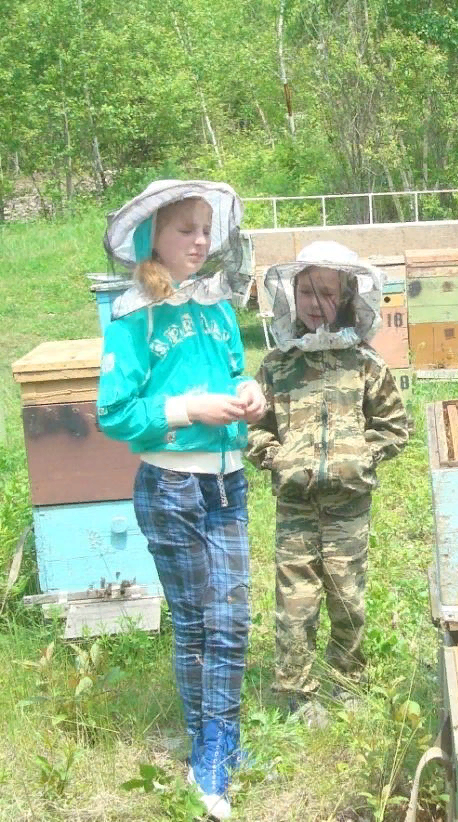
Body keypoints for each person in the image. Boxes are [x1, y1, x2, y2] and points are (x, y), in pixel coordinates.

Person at [97, 180, 265, 821]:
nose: (199, 241)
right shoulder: (133, 315)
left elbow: (230, 376)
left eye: (204, 229)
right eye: (183, 230)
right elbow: (115, 413)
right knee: (201, 625)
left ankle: (218, 746)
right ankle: (213, 756)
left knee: (232, 621)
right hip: (172, 485)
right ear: (151, 240)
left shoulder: (217, 306)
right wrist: (185, 408)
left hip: (227, 480)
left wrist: (249, 394)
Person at [246, 241, 409, 728]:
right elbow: (254, 428)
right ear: (291, 296)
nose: (315, 301)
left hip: (348, 507)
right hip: (294, 506)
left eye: (326, 292)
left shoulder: (365, 365)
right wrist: (277, 459)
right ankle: (297, 694)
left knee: (346, 596)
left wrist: (360, 457)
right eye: (305, 290)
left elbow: (395, 426)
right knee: (294, 601)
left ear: (345, 299)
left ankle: (347, 681)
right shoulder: (277, 366)